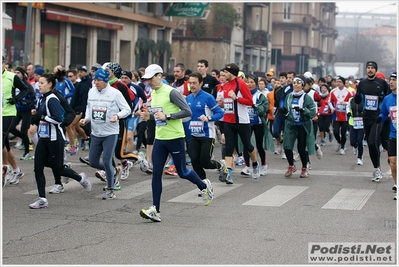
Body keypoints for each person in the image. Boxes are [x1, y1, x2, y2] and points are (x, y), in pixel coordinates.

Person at [139, 64, 213, 222]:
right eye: (146, 80)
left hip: (175, 138)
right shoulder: (154, 93)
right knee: (156, 174)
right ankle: (155, 210)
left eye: (150, 79)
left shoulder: (171, 92)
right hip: (160, 138)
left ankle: (204, 186)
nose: (148, 82)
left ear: (159, 76)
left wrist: (168, 116)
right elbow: (157, 114)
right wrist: (149, 117)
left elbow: (187, 111)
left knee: (183, 172)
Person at [29, 73, 92, 209]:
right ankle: (42, 199)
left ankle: (80, 178)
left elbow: (57, 119)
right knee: (37, 167)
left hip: (55, 138)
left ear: (50, 84)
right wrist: (36, 116)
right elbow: (42, 117)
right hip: (43, 138)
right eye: (38, 83)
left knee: (58, 168)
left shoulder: (52, 98)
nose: (39, 85)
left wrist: (42, 116)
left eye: (42, 83)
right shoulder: (42, 99)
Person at [79, 68, 131, 199]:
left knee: (107, 160)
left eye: (99, 80)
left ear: (105, 81)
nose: (96, 82)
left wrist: (117, 116)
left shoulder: (115, 93)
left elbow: (127, 109)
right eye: (95, 80)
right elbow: (89, 107)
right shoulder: (91, 92)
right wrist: (86, 119)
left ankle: (110, 189)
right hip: (96, 132)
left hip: (110, 132)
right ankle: (112, 171)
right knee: (92, 161)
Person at [218, 63, 259, 183]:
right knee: (229, 148)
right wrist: (222, 103)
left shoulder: (241, 84)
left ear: (232, 73)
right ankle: (229, 174)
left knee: (248, 146)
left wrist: (236, 98)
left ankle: (255, 165)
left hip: (242, 121)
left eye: (226, 72)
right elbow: (227, 102)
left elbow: (250, 101)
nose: (224, 74)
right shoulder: (225, 86)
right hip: (228, 121)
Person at [186, 72, 226, 195]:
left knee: (205, 162)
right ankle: (204, 187)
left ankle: (220, 165)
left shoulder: (207, 97)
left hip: (207, 135)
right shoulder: (188, 98)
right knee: (195, 162)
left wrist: (208, 118)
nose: (192, 85)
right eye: (190, 83)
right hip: (193, 135)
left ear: (201, 83)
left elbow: (220, 113)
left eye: (194, 83)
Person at [354, 61, 389, 181]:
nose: (370, 70)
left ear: (375, 70)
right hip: (366, 117)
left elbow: (389, 98)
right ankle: (377, 168)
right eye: (368, 68)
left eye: (372, 68)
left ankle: (378, 169)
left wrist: (382, 100)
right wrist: (357, 97)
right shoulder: (362, 84)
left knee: (373, 141)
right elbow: (358, 100)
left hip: (378, 117)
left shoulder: (382, 83)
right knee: (370, 144)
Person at [282, 76, 316, 178]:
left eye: (298, 83)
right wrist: (284, 112)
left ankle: (305, 168)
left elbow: (313, 112)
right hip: (290, 125)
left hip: (302, 125)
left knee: (301, 148)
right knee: (287, 146)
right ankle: (291, 165)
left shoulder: (306, 97)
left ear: (302, 85)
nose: (295, 85)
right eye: (294, 83)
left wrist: (303, 110)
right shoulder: (289, 96)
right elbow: (286, 108)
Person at [2, 56, 29, 186]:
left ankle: (4, 168)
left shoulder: (11, 77)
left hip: (8, 113)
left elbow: (25, 89)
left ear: (4, 64)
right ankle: (17, 170)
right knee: (5, 144)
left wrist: (16, 99)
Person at [240, 74, 272, 177]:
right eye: (247, 82)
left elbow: (264, 109)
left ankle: (263, 165)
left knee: (259, 145)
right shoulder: (243, 94)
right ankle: (247, 167)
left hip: (258, 123)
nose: (249, 84)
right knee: (246, 145)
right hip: (246, 123)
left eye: (251, 82)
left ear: (256, 84)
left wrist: (255, 106)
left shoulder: (260, 96)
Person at [377, 71, 396, 198]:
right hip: (393, 135)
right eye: (390, 79)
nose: (391, 82)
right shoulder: (387, 99)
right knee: (393, 162)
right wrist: (380, 118)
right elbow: (383, 113)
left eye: (394, 80)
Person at [330, 76, 352, 155]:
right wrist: (332, 108)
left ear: (343, 82)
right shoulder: (333, 91)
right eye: (337, 81)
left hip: (345, 116)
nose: (338, 83)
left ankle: (342, 147)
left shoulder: (348, 92)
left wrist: (345, 103)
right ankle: (339, 142)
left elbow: (351, 102)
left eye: (339, 82)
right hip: (336, 115)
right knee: (335, 131)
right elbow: (329, 101)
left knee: (343, 133)